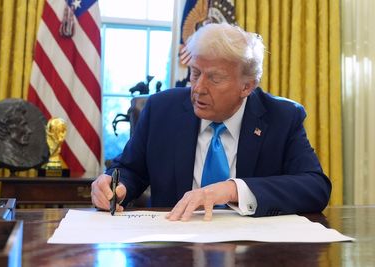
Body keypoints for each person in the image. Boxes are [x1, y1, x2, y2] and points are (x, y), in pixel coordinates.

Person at [91, 22, 331, 221]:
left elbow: (314, 187)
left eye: (214, 78)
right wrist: (113, 186)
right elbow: (130, 170)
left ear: (247, 86)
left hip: (252, 249)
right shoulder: (161, 110)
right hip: (173, 245)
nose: (198, 88)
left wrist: (233, 189)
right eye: (195, 73)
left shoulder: (282, 117)